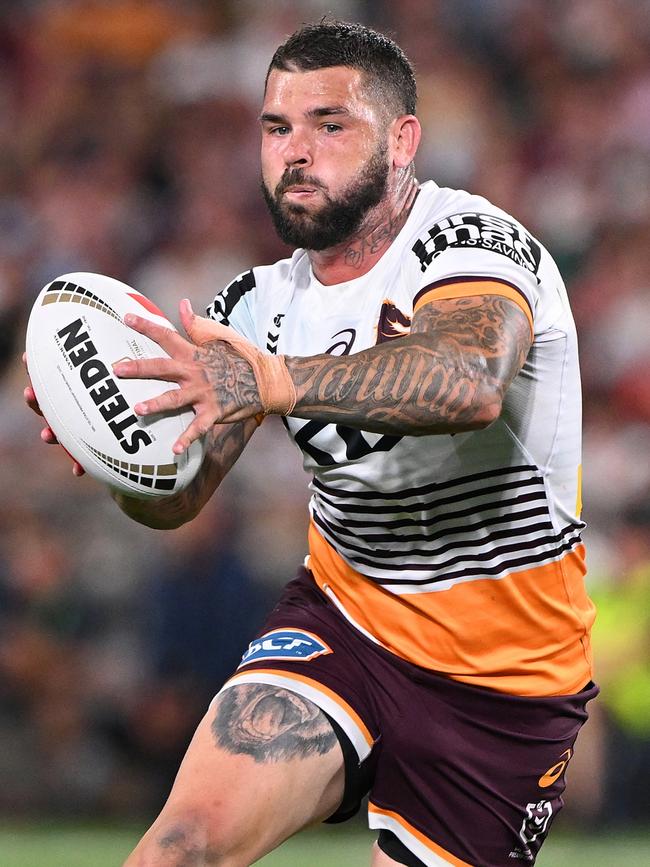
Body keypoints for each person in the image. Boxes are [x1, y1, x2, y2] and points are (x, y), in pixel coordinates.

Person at [26, 20, 598, 867]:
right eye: (276, 126)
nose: (296, 151)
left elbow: (468, 380)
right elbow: (177, 497)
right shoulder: (256, 304)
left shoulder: (472, 243)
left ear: (402, 139)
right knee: (175, 852)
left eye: (330, 124)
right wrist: (116, 450)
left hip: (504, 682)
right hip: (347, 624)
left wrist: (278, 381)